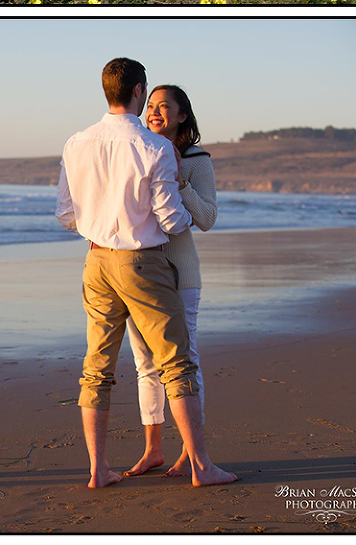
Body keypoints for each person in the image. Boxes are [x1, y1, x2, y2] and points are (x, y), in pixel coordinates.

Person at [55, 57, 236, 490]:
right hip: (142, 262)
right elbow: (173, 222)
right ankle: (202, 467)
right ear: (138, 91)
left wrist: (102, 224)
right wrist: (137, 225)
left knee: (97, 368)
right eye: (149, 95)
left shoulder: (76, 142)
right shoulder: (153, 148)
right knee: (176, 363)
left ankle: (98, 470)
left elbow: (65, 213)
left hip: (95, 260)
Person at [125, 85, 218, 478]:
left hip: (181, 274)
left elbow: (209, 218)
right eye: (150, 106)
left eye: (164, 106)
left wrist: (180, 180)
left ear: (182, 115)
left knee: (185, 362)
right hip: (140, 273)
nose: (154, 112)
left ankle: (189, 451)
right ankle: (153, 449)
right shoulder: (139, 152)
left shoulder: (197, 160)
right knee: (146, 364)